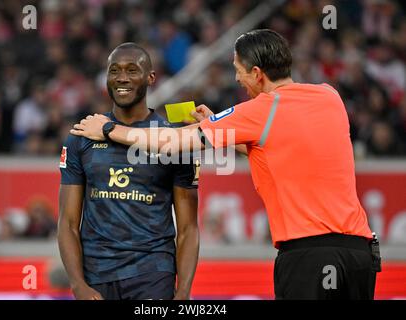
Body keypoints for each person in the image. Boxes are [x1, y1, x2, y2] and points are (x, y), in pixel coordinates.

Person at [71, 30, 381, 300]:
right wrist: (222, 130)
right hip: (359, 254)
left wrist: (109, 130)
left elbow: (173, 142)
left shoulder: (260, 109)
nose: (236, 78)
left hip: (309, 257)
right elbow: (281, 145)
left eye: (239, 70)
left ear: (258, 73)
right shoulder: (329, 96)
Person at [58, 43, 200, 300]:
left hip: (152, 274)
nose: (122, 78)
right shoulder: (81, 136)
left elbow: (188, 227)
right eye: (114, 71)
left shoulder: (174, 140)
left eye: (132, 70)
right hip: (96, 276)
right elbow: (67, 223)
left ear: (151, 78)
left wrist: (183, 292)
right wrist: (78, 284)